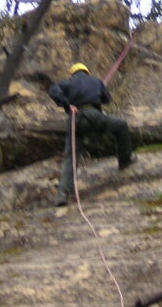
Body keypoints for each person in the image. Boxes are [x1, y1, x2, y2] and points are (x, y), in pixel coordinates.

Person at [48, 62, 135, 206]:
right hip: (95, 117)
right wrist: (95, 95)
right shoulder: (96, 81)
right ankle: (125, 161)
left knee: (71, 156)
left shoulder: (67, 83)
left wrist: (67, 104)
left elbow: (53, 90)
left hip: (75, 120)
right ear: (86, 72)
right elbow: (107, 99)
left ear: (72, 74)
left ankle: (62, 195)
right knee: (121, 125)